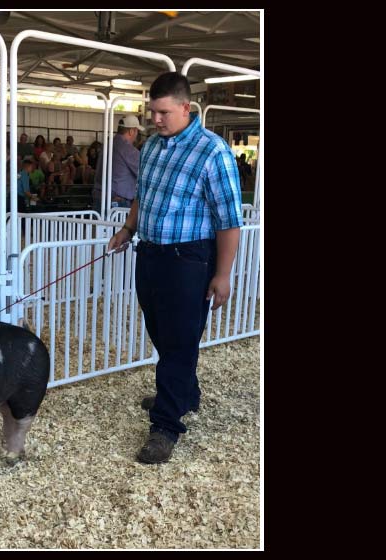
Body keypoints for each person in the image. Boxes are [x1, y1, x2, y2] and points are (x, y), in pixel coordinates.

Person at [106, 72, 243, 465]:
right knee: (162, 331)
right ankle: (184, 392)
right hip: (149, 254)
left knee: (180, 339)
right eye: (152, 112)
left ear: (186, 107)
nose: (157, 120)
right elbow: (141, 196)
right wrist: (128, 228)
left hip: (189, 259)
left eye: (164, 112)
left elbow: (228, 220)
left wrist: (222, 273)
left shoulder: (212, 151)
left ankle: (166, 425)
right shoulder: (150, 148)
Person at [93, 115, 142, 214]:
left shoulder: (108, 144)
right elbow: (143, 171)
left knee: (101, 227)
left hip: (100, 196)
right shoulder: (128, 149)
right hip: (117, 201)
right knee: (117, 228)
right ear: (131, 131)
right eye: (137, 131)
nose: (137, 135)